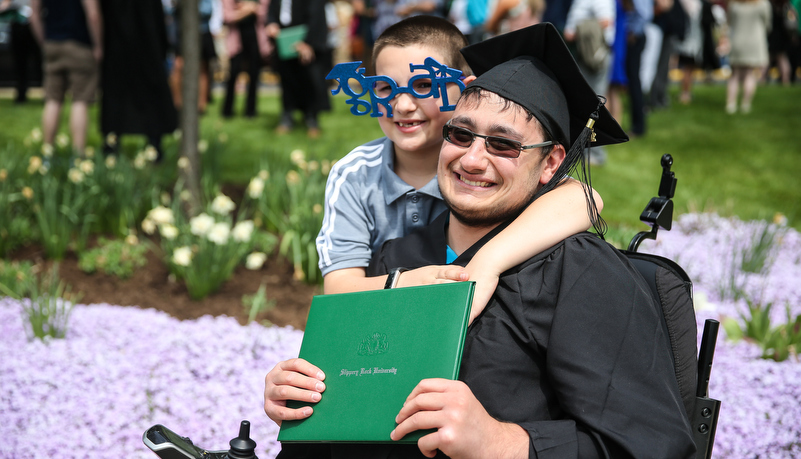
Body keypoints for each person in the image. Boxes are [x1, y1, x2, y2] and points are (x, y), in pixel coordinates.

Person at [266, 23, 696, 459]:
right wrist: (304, 398)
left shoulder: (581, 276)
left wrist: (500, 441)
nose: (472, 159)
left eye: (504, 144)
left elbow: (652, 445)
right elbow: (351, 399)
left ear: (551, 163)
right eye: (460, 134)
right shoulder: (400, 257)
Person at [316, 15, 604, 321]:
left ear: (465, 89)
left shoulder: (477, 165)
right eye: (385, 88)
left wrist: (489, 261)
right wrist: (406, 282)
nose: (402, 105)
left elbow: (584, 199)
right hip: (383, 317)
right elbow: (338, 288)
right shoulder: (356, 174)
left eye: (424, 85)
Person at [99, 0, 177, 160]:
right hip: (146, 49)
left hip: (118, 50)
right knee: (148, 98)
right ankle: (154, 144)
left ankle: (112, 143)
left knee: (118, 98)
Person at [29, 0, 102, 155]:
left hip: (52, 43)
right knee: (80, 101)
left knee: (53, 100)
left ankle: (47, 155)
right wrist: (98, 45)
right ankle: (78, 156)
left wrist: (44, 42)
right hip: (80, 44)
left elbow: (34, 16)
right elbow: (93, 15)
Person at [266, 0, 331, 137]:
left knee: (310, 81)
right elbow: (272, 11)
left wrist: (307, 43)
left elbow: (316, 17)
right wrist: (271, 23)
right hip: (284, 42)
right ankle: (287, 116)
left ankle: (312, 118)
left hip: (306, 42)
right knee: (287, 81)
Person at [562, 0, 615, 165]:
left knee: (595, 105)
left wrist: (579, 29)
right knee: (586, 104)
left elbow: (607, 21)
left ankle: (596, 153)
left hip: (595, 55)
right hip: (584, 55)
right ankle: (584, 151)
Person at [221, 0, 270, 119]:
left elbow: (267, 13)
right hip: (237, 41)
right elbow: (227, 16)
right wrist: (251, 9)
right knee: (233, 74)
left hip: (255, 40)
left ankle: (250, 111)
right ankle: (227, 110)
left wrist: (246, 9)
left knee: (254, 74)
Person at [169, 0, 218, 114]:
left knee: (202, 69)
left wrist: (187, 9)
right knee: (178, 66)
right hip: (182, 32)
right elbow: (170, 9)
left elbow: (207, 11)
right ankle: (177, 105)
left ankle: (201, 106)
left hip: (202, 31)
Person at [725, 0, 772, 114]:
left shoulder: (734, 4)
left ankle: (731, 104)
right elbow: (767, 24)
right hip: (755, 41)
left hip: (737, 41)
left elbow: (729, 22)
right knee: (749, 74)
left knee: (735, 74)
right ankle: (745, 104)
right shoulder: (763, 4)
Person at [0, 0, 42, 104]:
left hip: (35, 25)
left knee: (39, 62)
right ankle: (21, 94)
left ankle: (46, 93)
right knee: (20, 62)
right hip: (19, 26)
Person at [624, 0, 652, 136]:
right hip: (635, 36)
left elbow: (645, 14)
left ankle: (638, 127)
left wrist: (633, 32)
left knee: (634, 82)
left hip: (635, 37)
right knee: (634, 81)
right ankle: (638, 125)